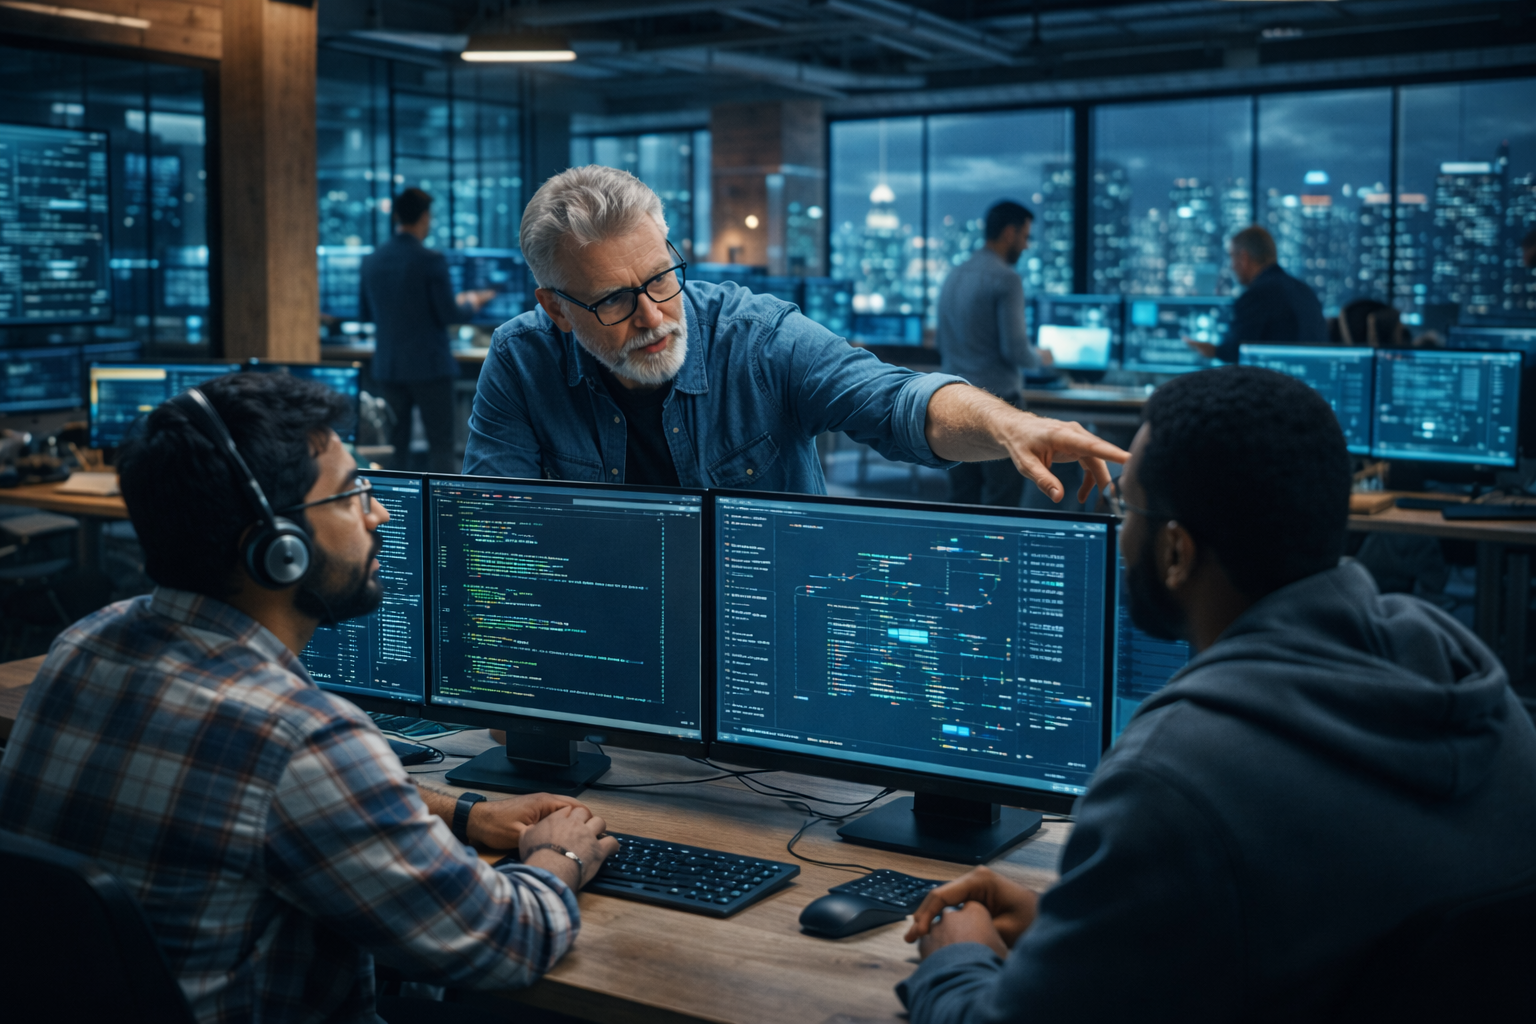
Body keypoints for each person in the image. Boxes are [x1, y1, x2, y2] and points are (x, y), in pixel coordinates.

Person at [895, 366, 1536, 1023]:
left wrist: (956, 958)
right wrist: (1084, 923)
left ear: (1175, 551)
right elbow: (1325, 920)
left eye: (1128, 510)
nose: (1121, 537)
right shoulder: (1479, 696)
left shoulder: (1172, 776)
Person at [0, 372, 618, 1022]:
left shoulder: (85, 644)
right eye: (352, 494)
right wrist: (559, 854)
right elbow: (503, 945)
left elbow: (273, 800)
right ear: (278, 550)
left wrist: (463, 814)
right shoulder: (300, 736)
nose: (378, 513)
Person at [463, 166, 1123, 505]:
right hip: (609, 640)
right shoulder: (522, 359)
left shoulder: (757, 337)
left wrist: (1009, 427)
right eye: (613, 300)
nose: (653, 316)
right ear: (556, 309)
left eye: (663, 278)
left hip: (766, 639)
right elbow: (495, 528)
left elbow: (893, 401)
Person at [359, 188, 495, 473]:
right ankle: (441, 511)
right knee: (442, 446)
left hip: (389, 368)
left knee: (395, 448)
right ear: (425, 217)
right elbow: (450, 314)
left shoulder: (371, 260)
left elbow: (365, 313)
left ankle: (397, 511)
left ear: (397, 215)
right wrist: (473, 301)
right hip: (430, 368)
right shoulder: (429, 259)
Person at [935, 200, 1051, 507]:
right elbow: (1014, 349)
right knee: (1003, 502)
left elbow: (941, 340)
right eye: (1025, 237)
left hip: (954, 403)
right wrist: (1043, 358)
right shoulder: (1006, 279)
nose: (1026, 247)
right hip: (999, 405)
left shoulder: (954, 275)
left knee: (962, 498)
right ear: (1010, 233)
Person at [1188, 225, 1327, 362]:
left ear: (1244, 258)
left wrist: (1212, 351)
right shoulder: (1305, 291)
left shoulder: (1257, 295)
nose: (1231, 265)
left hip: (1277, 381)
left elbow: (1236, 352)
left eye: (1232, 257)